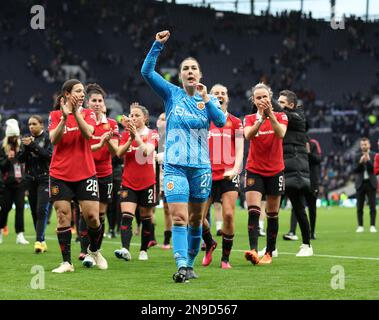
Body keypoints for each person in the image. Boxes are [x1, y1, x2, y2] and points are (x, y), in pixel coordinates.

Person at [141, 30, 226, 282]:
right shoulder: (172, 94)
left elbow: (220, 122)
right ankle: (180, 265)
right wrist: (157, 45)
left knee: (196, 220)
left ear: (200, 75)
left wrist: (207, 98)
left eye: (194, 68)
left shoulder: (206, 101)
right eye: (186, 68)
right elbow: (146, 73)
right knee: (179, 217)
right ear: (180, 75)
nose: (190, 71)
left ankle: (190, 264)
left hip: (200, 168)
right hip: (175, 165)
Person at [48, 79, 108, 273]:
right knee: (62, 216)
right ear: (67, 94)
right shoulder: (55, 115)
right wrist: (65, 118)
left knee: (92, 216)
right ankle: (67, 262)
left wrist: (75, 113)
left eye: (83, 92)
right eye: (78, 91)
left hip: (85, 173)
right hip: (60, 173)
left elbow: (89, 134)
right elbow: (53, 140)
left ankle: (94, 250)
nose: (83, 95)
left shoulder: (89, 113)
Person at [243, 83, 288, 265]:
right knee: (253, 210)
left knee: (272, 213)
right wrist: (261, 119)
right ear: (253, 101)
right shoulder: (248, 118)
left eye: (265, 97)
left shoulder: (281, 116)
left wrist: (270, 117)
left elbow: (281, 133)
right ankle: (253, 250)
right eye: (258, 98)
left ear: (270, 98)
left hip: (276, 170)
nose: (262, 100)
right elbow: (248, 135)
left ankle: (269, 252)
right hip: (254, 168)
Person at [201, 84, 244, 269]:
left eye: (223, 93)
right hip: (206, 174)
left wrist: (235, 169)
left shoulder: (235, 121)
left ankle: (225, 258)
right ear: (210, 97)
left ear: (227, 98)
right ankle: (210, 242)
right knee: (197, 218)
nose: (220, 95)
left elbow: (241, 148)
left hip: (228, 174)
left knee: (228, 215)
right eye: (216, 93)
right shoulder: (203, 120)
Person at [78, 83, 119, 259]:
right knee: (85, 213)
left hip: (104, 173)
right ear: (88, 103)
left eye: (99, 100)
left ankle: (94, 250)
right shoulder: (83, 122)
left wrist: (107, 140)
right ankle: (83, 250)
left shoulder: (111, 124)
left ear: (104, 103)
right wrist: (100, 142)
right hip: (85, 172)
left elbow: (115, 151)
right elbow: (82, 149)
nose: (96, 103)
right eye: (93, 100)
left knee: (100, 214)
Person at [114, 103, 158, 261]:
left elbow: (146, 151)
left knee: (146, 218)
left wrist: (136, 136)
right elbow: (119, 153)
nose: (133, 118)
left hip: (147, 182)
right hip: (128, 181)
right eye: (131, 115)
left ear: (145, 118)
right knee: (126, 216)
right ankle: (125, 249)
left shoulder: (152, 134)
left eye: (137, 115)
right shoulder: (126, 134)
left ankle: (143, 250)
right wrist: (130, 138)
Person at [278, 90, 314, 257]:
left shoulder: (298, 118)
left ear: (291, 105)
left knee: (299, 208)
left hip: (295, 170)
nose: (278, 105)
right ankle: (271, 248)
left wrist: (265, 97)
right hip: (281, 168)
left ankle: (307, 245)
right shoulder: (281, 118)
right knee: (273, 209)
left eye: (282, 102)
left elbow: (281, 113)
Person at [19, 115, 52, 253]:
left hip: (45, 178)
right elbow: (20, 159)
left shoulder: (48, 138)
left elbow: (48, 155)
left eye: (34, 124)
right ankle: (42, 240)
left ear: (41, 125)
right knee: (33, 210)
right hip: (30, 179)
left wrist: (32, 145)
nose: (31, 126)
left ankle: (38, 240)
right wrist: (26, 148)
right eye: (29, 124)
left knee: (41, 209)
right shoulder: (27, 141)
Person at [283, 136, 322, 240]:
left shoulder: (313, 143)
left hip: (312, 180)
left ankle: (312, 232)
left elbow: (318, 159)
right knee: (296, 205)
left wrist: (308, 153)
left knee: (312, 207)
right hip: (299, 179)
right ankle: (292, 231)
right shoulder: (294, 145)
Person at [0, 119, 29, 245]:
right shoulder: (2, 146)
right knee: (5, 208)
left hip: (20, 183)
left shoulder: (21, 146)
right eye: (11, 136)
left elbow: (26, 162)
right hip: (6, 184)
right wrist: (7, 158)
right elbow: (1, 166)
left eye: (15, 136)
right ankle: (0, 232)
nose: (13, 138)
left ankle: (20, 235)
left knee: (20, 208)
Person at [155, 112, 173, 249]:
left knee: (179, 209)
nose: (163, 122)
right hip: (158, 178)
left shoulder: (175, 136)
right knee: (166, 209)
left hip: (173, 177)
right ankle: (166, 239)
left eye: (165, 119)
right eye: (161, 119)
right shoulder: (154, 138)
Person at [353, 137, 377, 233]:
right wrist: (360, 162)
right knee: (359, 207)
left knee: (372, 206)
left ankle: (372, 226)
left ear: (369, 145)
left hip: (371, 183)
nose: (364, 146)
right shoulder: (356, 156)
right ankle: (360, 226)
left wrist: (368, 161)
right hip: (360, 183)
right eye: (362, 144)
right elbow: (355, 170)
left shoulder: (374, 155)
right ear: (360, 146)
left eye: (365, 144)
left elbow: (374, 170)